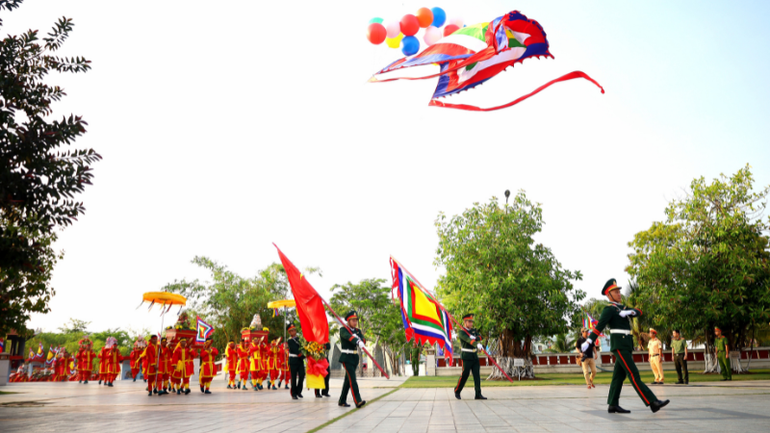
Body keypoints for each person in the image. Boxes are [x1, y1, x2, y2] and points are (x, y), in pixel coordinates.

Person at [581, 278, 669, 414]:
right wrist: (589, 341)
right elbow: (599, 327)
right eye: (615, 292)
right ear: (608, 295)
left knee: (618, 376)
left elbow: (639, 311)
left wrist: (629, 312)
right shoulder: (608, 310)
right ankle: (652, 402)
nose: (619, 294)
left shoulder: (623, 308)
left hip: (626, 345)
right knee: (633, 374)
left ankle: (613, 404)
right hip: (619, 345)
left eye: (619, 291)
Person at [454, 313, 487, 400]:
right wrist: (476, 343)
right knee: (465, 374)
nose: (471, 324)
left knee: (477, 375)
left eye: (471, 322)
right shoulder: (461, 332)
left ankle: (478, 394)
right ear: (465, 322)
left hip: (474, 356)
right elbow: (468, 340)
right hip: (466, 356)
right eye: (469, 322)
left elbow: (481, 336)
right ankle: (457, 390)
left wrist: (476, 338)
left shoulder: (473, 331)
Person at [338, 311, 366, 408]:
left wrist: (360, 340)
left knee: (348, 380)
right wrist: (356, 340)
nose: (355, 322)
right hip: (346, 357)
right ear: (348, 321)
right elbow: (348, 337)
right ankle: (358, 400)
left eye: (356, 320)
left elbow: (363, 339)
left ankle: (342, 400)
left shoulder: (357, 331)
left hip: (354, 357)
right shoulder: (343, 330)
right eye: (353, 320)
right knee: (353, 379)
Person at [287, 323, 305, 400]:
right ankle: (294, 393)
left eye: (294, 330)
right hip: (293, 360)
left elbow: (303, 347)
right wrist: (302, 354)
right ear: (289, 332)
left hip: (300, 360)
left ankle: (299, 391)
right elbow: (296, 350)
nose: (294, 332)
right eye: (292, 331)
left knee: (302, 375)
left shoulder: (299, 339)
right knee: (293, 378)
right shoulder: (290, 341)